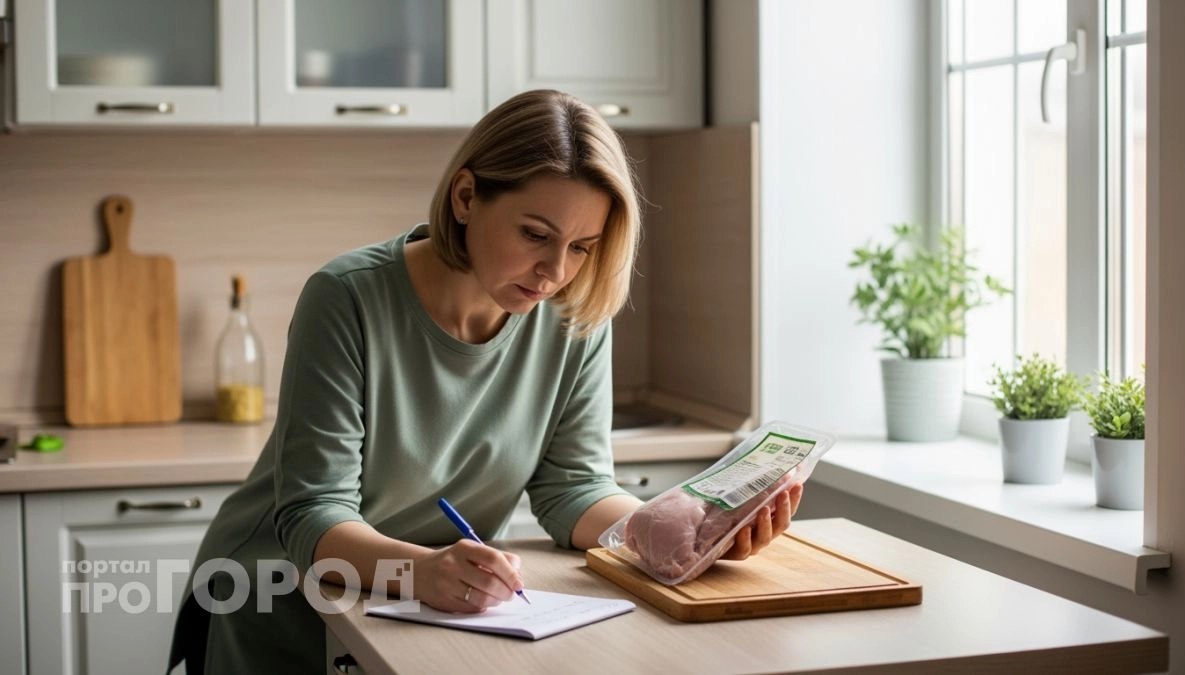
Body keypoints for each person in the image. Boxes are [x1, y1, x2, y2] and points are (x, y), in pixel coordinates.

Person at [167, 89, 802, 674]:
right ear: (466, 197)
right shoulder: (347, 297)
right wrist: (422, 572)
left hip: (421, 614)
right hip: (278, 603)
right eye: (536, 235)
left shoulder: (571, 315)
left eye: (583, 246)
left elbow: (572, 489)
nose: (555, 270)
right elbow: (311, 515)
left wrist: (668, 534)